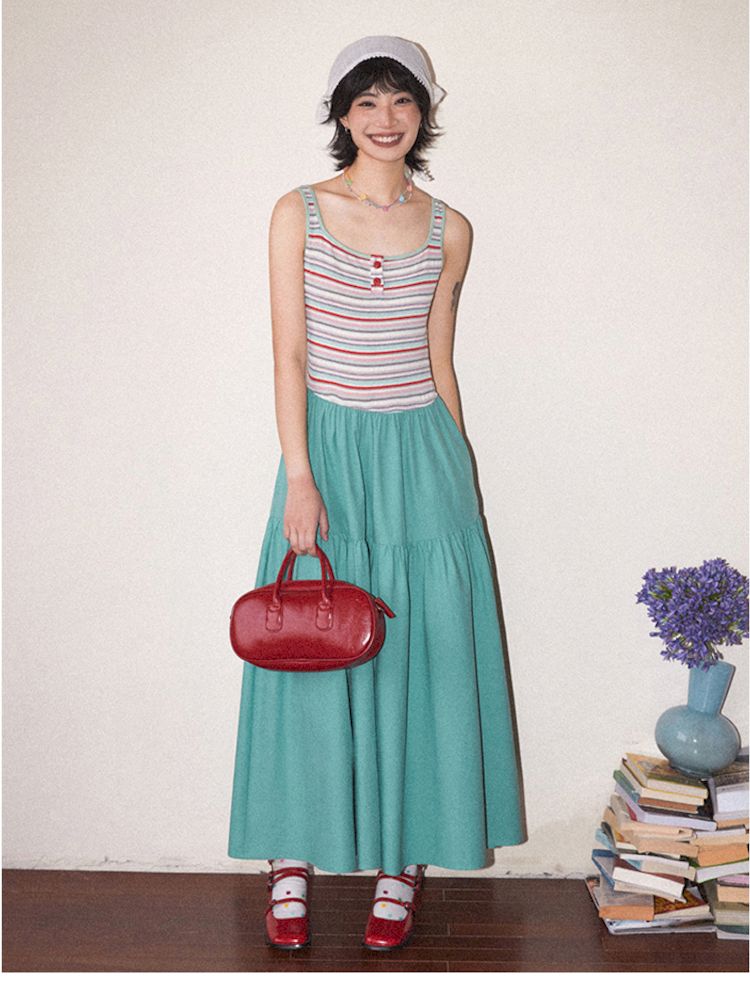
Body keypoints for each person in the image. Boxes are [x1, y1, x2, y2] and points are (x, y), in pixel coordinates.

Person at [227, 34, 525, 952]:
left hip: (423, 454)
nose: (385, 118)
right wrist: (300, 473)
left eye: (402, 100)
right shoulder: (299, 212)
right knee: (308, 643)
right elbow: (289, 353)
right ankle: (290, 859)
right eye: (366, 101)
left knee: (424, 656)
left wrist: (460, 471)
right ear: (342, 114)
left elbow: (440, 360)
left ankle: (406, 861)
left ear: (424, 111)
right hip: (329, 453)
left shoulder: (449, 229)